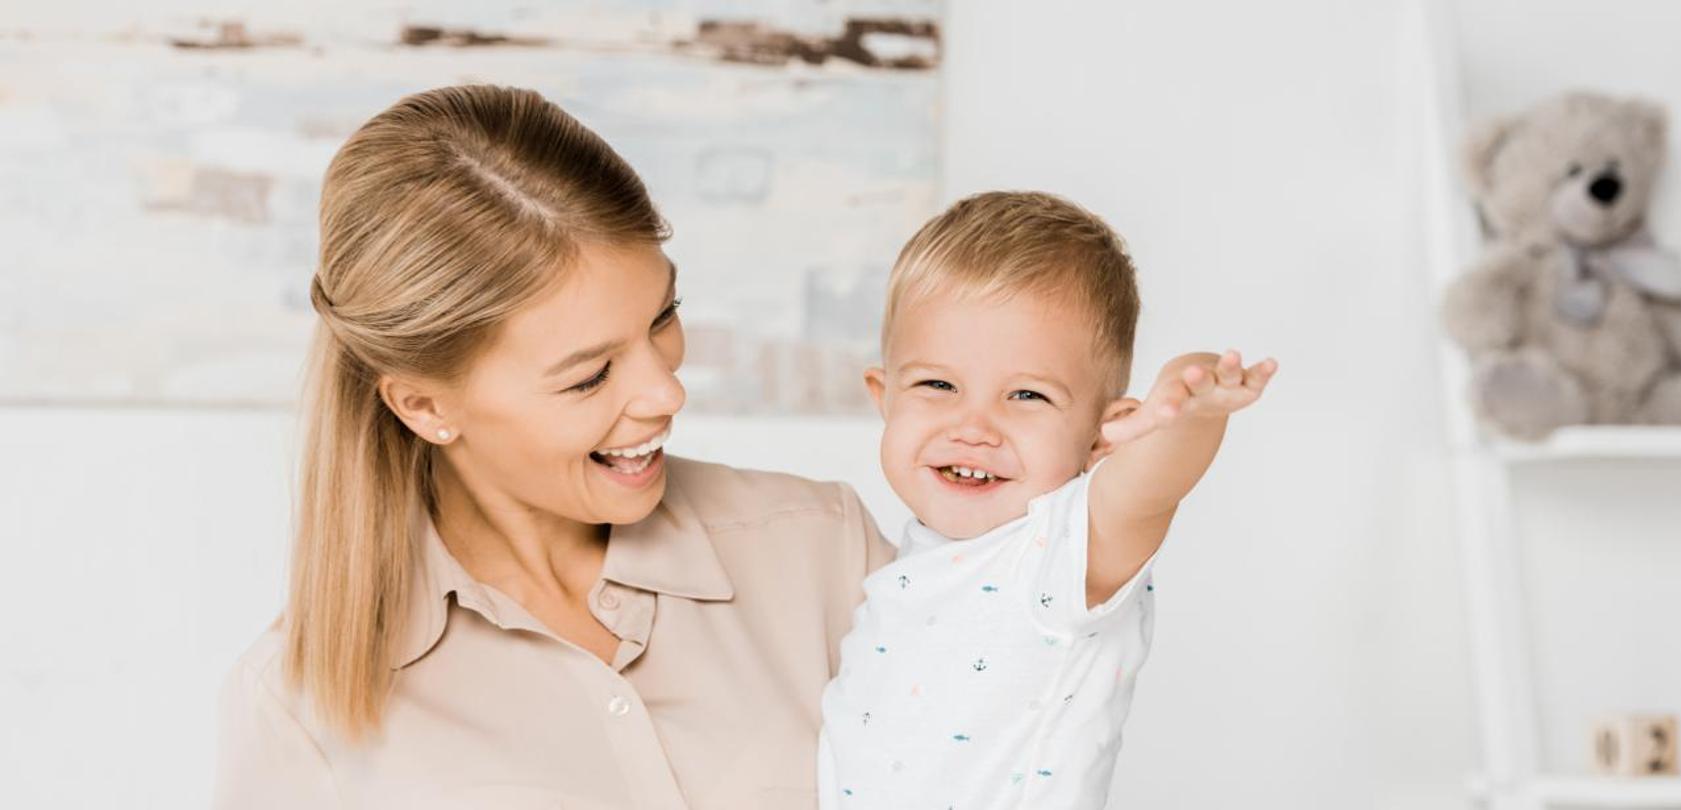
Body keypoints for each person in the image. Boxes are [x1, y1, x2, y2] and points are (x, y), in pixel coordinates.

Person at [214, 84, 892, 809]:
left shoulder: (824, 553)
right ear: (426, 405)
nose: (666, 393)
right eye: (589, 376)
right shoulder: (299, 708)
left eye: (663, 317)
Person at [818, 191, 1276, 808]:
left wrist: (1192, 406)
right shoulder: (916, 557)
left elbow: (1146, 490)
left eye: (1027, 396)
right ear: (885, 396)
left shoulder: (1060, 550)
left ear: (1105, 433)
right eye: (938, 384)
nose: (974, 426)